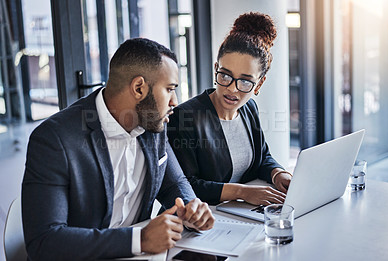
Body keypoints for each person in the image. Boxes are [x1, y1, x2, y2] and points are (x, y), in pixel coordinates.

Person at [22, 38, 215, 261]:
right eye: (170, 89)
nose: (175, 101)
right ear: (139, 88)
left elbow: (174, 183)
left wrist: (192, 210)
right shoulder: (54, 139)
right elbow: (44, 241)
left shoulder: (152, 121)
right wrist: (139, 239)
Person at [167, 12, 292, 206]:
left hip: (238, 214)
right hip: (200, 220)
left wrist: (278, 174)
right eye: (225, 75)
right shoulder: (184, 117)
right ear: (216, 68)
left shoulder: (249, 107)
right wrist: (242, 192)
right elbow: (185, 186)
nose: (232, 88)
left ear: (258, 85)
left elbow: (262, 157)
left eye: (245, 81)